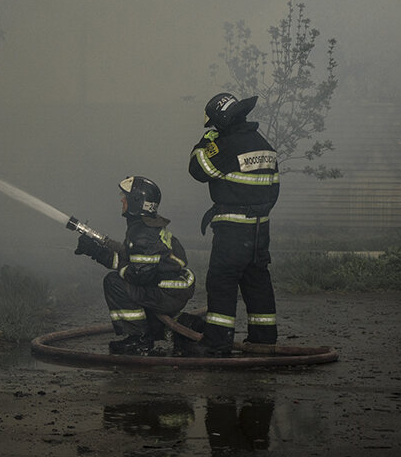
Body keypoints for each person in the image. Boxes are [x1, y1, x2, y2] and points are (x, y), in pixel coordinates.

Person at [185, 92, 280, 357]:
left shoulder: (227, 145)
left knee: (222, 281)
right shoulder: (265, 146)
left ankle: (217, 343)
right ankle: (263, 340)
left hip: (233, 231)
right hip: (260, 231)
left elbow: (198, 169)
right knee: (257, 280)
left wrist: (205, 141)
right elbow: (274, 191)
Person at [74, 176, 196, 355]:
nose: (122, 200)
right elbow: (131, 260)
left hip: (168, 291)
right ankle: (183, 328)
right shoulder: (144, 226)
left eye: (125, 196)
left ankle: (139, 340)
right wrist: (96, 251)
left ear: (136, 201)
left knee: (114, 282)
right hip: (170, 287)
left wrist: (109, 259)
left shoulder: (143, 233)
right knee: (127, 283)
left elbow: (138, 275)